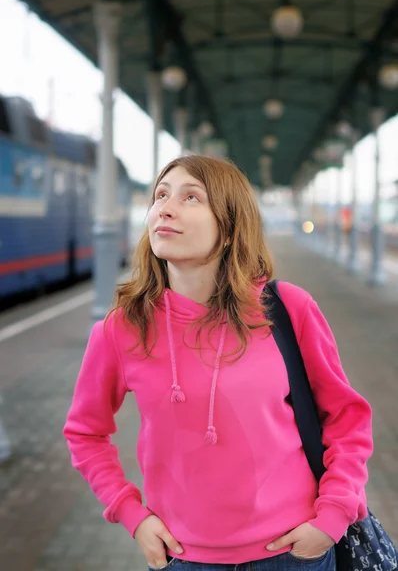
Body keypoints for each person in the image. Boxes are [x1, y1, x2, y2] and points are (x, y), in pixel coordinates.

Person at [63, 155, 373, 571]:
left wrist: (333, 515)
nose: (165, 208)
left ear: (229, 227)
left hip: (295, 553)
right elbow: (85, 432)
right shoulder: (121, 329)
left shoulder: (286, 309)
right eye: (161, 195)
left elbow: (347, 418)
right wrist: (130, 513)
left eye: (191, 196)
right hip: (185, 559)